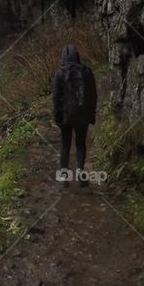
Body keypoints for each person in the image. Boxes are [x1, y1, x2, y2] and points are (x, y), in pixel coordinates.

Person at [51, 45, 97, 186]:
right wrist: (91, 114)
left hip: (66, 114)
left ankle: (64, 177)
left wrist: (57, 116)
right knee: (81, 143)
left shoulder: (59, 73)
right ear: (77, 57)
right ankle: (80, 174)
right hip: (82, 115)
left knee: (65, 144)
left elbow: (56, 97)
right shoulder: (87, 71)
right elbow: (93, 95)